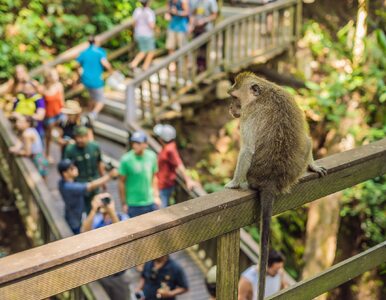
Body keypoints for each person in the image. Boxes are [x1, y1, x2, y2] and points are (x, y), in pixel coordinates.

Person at [81, 193, 130, 300]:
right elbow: (84, 232)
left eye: (106, 200)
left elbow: (121, 233)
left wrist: (111, 211)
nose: (104, 203)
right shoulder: (95, 218)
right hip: (99, 272)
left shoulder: (122, 217)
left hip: (118, 272)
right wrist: (93, 209)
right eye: (100, 200)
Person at [58, 159, 118, 234]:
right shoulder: (69, 187)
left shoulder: (61, 183)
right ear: (65, 174)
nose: (75, 168)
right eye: (71, 168)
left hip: (72, 215)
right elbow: (90, 186)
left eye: (74, 166)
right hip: (75, 220)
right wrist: (109, 176)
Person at [118, 131, 161, 218]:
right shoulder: (126, 159)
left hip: (150, 201)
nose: (135, 145)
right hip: (133, 203)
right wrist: (124, 203)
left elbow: (154, 177)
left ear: (145, 144)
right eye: (134, 143)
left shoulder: (152, 156)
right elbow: (121, 182)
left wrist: (156, 196)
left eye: (138, 143)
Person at [64, 125, 104, 213]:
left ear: (87, 136)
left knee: (97, 207)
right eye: (77, 137)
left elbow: (99, 163)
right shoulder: (70, 150)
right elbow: (66, 169)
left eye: (82, 137)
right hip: (80, 184)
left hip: (95, 181)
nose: (79, 140)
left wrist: (103, 180)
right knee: (82, 210)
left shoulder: (94, 146)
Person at [153, 124, 194, 208]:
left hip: (164, 185)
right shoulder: (168, 147)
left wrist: (188, 180)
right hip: (161, 183)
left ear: (161, 138)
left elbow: (179, 164)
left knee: (160, 209)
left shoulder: (169, 149)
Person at [76, 35, 112, 119]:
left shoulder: (84, 52)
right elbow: (105, 63)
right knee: (101, 100)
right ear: (96, 42)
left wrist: (79, 75)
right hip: (96, 80)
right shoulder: (100, 52)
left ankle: (89, 111)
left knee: (92, 97)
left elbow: (77, 65)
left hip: (86, 79)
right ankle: (93, 114)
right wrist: (111, 71)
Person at [40, 68, 64, 162]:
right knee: (48, 136)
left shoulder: (59, 86)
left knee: (63, 133)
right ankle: (47, 154)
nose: (56, 77)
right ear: (49, 77)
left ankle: (63, 155)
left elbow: (62, 100)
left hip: (59, 113)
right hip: (49, 116)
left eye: (56, 75)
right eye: (54, 75)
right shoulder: (43, 88)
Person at [189, 0, 218, 72]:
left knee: (205, 48)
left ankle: (205, 67)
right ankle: (198, 67)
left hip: (206, 29)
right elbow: (193, 13)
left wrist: (205, 20)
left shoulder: (211, 2)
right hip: (197, 29)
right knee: (196, 48)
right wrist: (191, 25)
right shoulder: (196, 1)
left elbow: (214, 15)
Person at [129, 0, 157, 72]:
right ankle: (144, 66)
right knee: (151, 51)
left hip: (138, 33)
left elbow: (134, 22)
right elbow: (151, 25)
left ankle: (134, 64)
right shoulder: (149, 12)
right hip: (147, 34)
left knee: (143, 50)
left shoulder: (137, 11)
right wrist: (156, 29)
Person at [165, 0, 190, 69]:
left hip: (181, 27)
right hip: (172, 26)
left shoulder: (183, 2)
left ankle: (187, 63)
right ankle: (172, 63)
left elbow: (187, 12)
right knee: (171, 46)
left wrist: (177, 13)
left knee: (183, 46)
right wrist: (167, 15)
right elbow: (167, 11)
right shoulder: (170, 2)